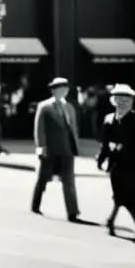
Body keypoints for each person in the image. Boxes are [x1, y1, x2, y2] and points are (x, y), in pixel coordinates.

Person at [31, 77, 81, 222]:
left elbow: (73, 129)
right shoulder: (45, 106)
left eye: (65, 89)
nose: (63, 91)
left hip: (67, 150)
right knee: (42, 179)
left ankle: (73, 212)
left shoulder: (70, 107)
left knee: (69, 182)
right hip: (50, 150)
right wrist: (41, 147)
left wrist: (75, 147)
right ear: (53, 91)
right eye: (59, 89)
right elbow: (39, 128)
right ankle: (35, 204)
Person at [97, 84, 135, 243]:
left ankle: (134, 227)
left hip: (133, 164)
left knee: (130, 197)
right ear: (113, 101)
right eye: (119, 100)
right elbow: (104, 142)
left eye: (127, 100)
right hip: (116, 165)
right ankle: (117, 223)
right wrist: (101, 159)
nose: (123, 103)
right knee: (120, 195)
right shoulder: (109, 120)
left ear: (132, 102)